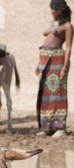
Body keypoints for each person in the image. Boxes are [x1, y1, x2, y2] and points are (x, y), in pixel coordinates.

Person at [36, 0, 73, 137]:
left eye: (52, 9)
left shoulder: (68, 26)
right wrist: (38, 64)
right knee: (45, 93)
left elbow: (68, 46)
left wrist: (64, 68)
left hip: (58, 60)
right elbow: (46, 39)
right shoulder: (54, 23)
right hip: (45, 59)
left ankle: (60, 127)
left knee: (57, 92)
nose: (51, 11)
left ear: (59, 10)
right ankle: (48, 127)